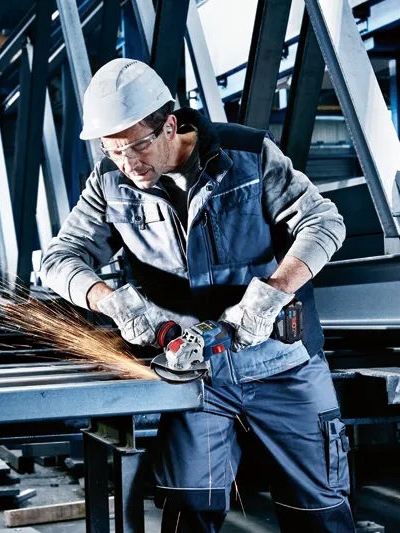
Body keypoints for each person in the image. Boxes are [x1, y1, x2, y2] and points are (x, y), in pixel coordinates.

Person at [42, 58, 353, 532]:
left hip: (284, 365)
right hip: (193, 377)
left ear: (169, 126)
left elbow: (323, 221)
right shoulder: (109, 182)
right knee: (190, 511)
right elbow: (58, 258)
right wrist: (111, 301)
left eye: (138, 146)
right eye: (113, 150)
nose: (128, 164)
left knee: (319, 511)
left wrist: (272, 294)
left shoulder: (247, 155)